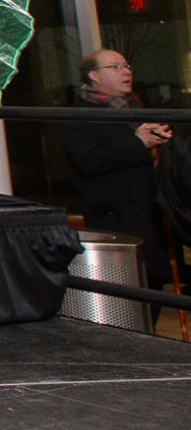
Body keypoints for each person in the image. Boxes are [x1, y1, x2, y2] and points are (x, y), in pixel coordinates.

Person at [64, 49, 177, 291]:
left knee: (155, 286)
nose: (125, 72)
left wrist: (161, 144)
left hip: (149, 212)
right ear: (94, 75)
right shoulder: (77, 115)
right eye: (115, 67)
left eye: (126, 66)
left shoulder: (135, 107)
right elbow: (89, 161)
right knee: (130, 293)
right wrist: (138, 143)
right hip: (115, 218)